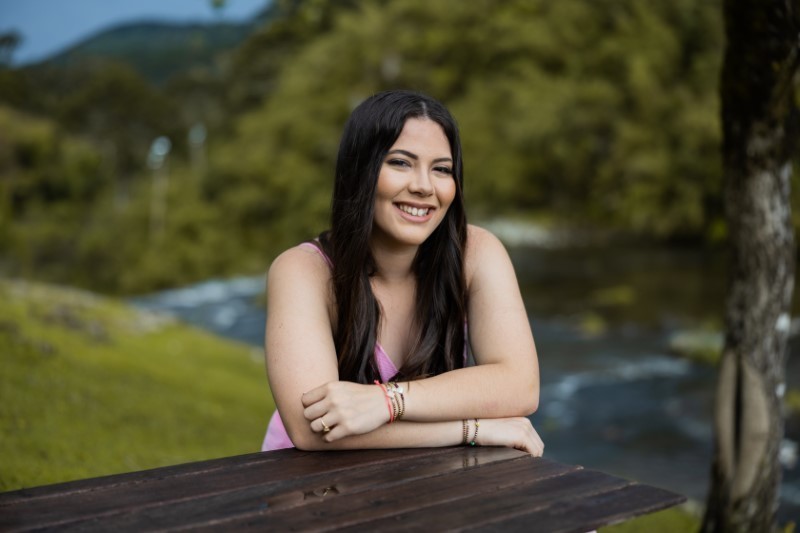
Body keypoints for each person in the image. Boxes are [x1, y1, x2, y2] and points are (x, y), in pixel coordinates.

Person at [261, 90, 543, 455]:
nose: (423, 186)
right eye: (400, 163)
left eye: (441, 169)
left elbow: (521, 386)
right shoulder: (303, 270)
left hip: (423, 476)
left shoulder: (476, 253)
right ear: (360, 171)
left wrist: (387, 401)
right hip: (312, 480)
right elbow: (311, 430)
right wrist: (470, 428)